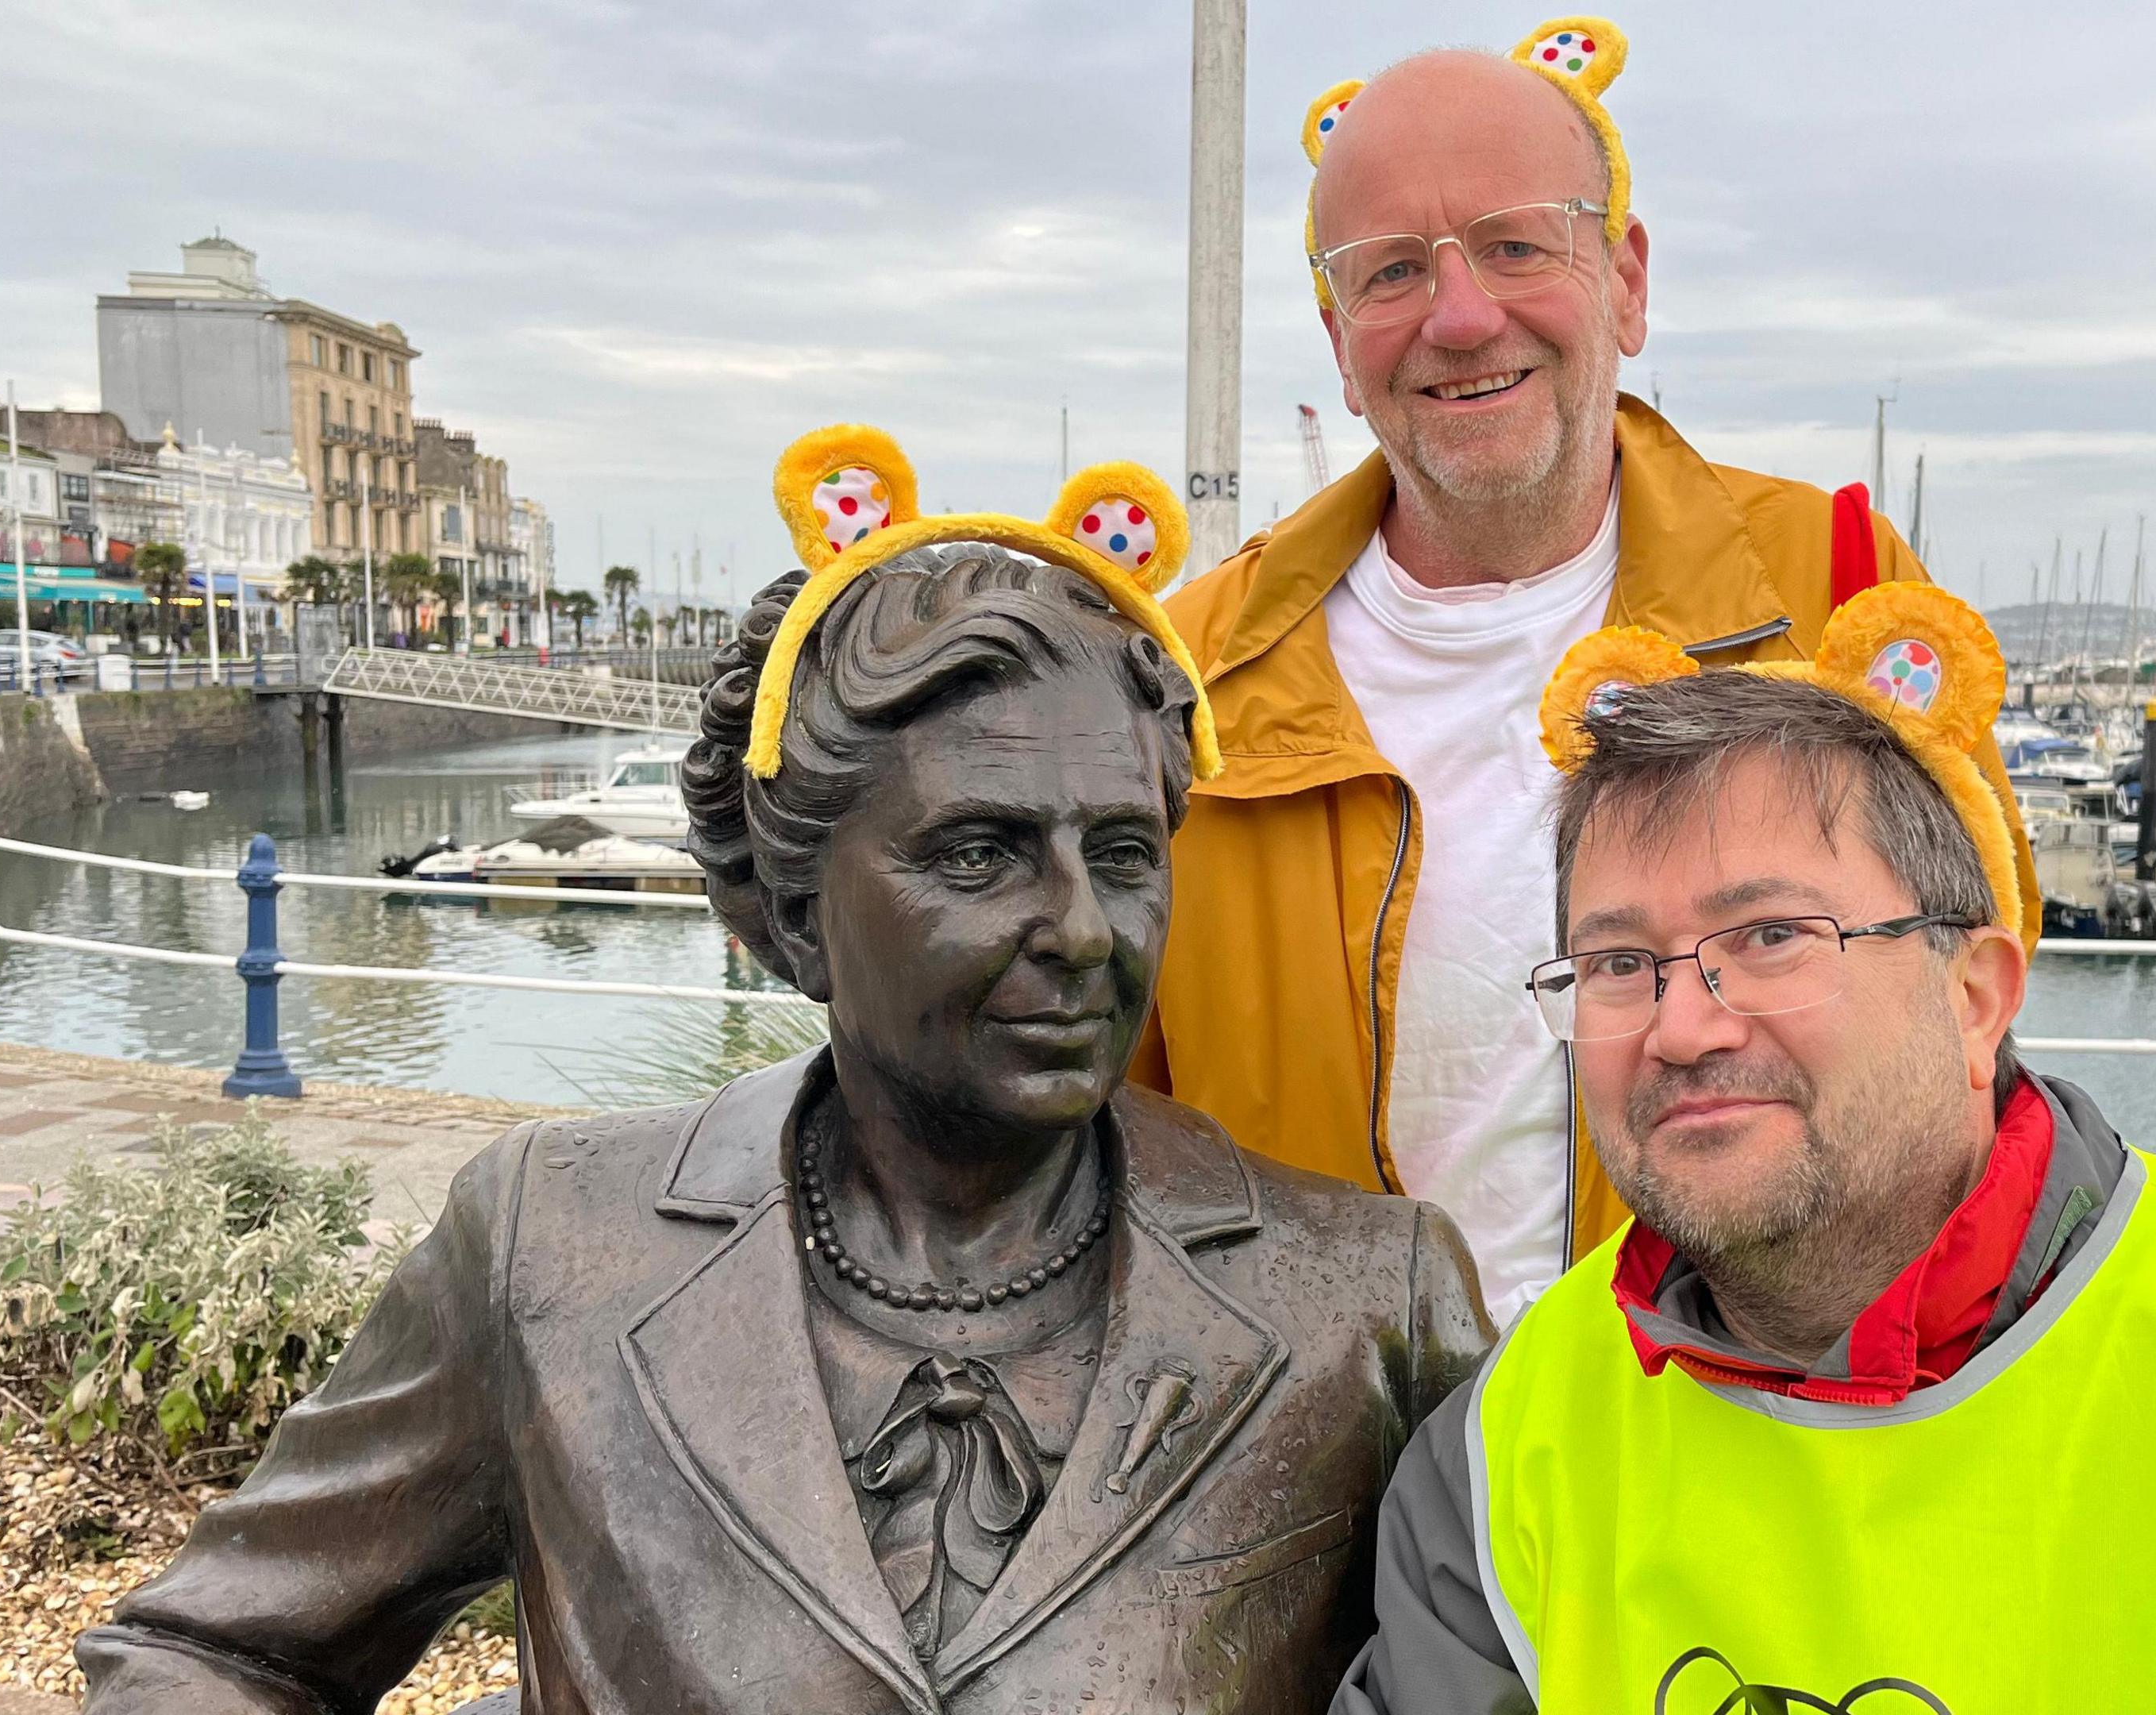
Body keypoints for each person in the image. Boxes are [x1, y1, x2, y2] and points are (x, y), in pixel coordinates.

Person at [80, 429, 1488, 1714]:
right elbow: (215, 1652)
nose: (1078, 930)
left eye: (1122, 853)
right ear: (794, 908)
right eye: (980, 853)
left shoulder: (1369, 1301)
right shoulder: (546, 1246)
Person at [1336, 585, 2156, 1713]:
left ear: (1975, 996)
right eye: (1621, 964)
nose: (1681, 1025)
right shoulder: (1515, 1439)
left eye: (1772, 937)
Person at [1142, 16, 2026, 1322]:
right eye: (1389, 273)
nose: (1458, 315)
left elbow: (1974, 1034)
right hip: (1308, 1462)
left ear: (1625, 278)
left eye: (1514, 245)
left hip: (1738, 1425)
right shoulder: (1182, 675)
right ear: (1336, 336)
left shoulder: (1832, 590)